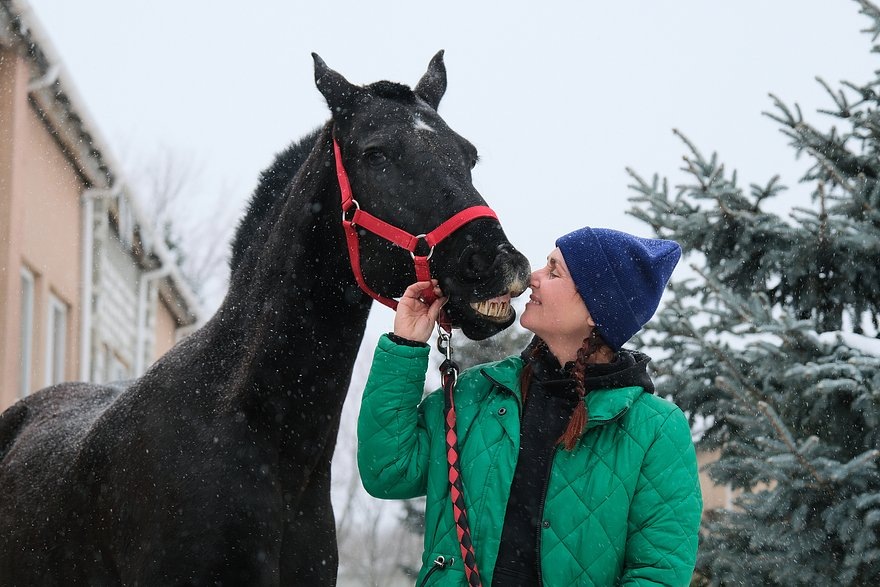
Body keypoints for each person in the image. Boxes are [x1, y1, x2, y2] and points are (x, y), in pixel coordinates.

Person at [357, 226, 702, 586]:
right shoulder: (478, 392)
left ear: (595, 310)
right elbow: (388, 472)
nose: (533, 278)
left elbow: (657, 575)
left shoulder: (655, 430)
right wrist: (406, 345)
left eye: (554, 272)